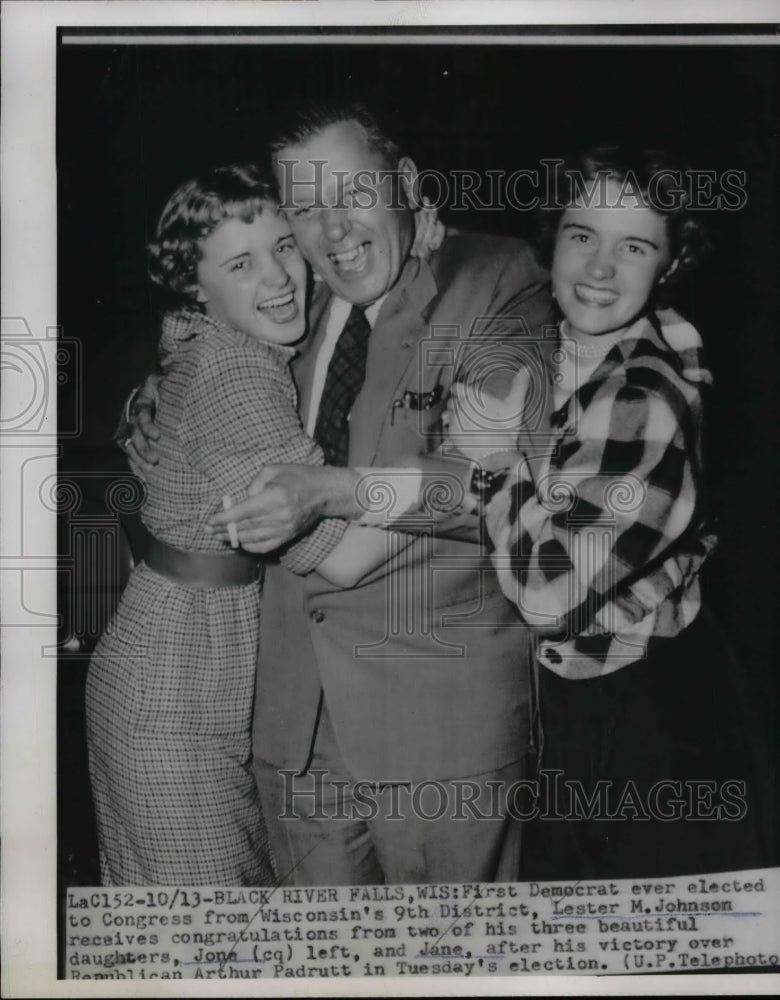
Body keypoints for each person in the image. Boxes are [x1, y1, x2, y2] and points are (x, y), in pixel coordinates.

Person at [129, 101, 554, 885]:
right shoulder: (293, 293)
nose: (333, 230)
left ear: (407, 187)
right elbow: (205, 336)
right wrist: (149, 396)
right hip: (290, 727)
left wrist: (332, 491)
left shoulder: (495, 276)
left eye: (354, 195)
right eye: (307, 208)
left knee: (450, 967)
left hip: (439, 730)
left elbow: (495, 472)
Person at [450, 146, 769, 879]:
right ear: (551, 240)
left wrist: (498, 465)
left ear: (669, 265)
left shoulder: (643, 399)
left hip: (649, 718)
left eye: (634, 247)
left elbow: (549, 594)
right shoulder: (559, 348)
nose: (598, 269)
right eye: (582, 235)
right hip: (578, 702)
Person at [90, 163, 411, 886]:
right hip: (178, 680)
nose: (279, 277)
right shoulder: (237, 371)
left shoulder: (216, 336)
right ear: (195, 285)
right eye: (242, 262)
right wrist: (474, 485)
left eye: (284, 248)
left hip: (176, 656)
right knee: (203, 936)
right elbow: (348, 558)